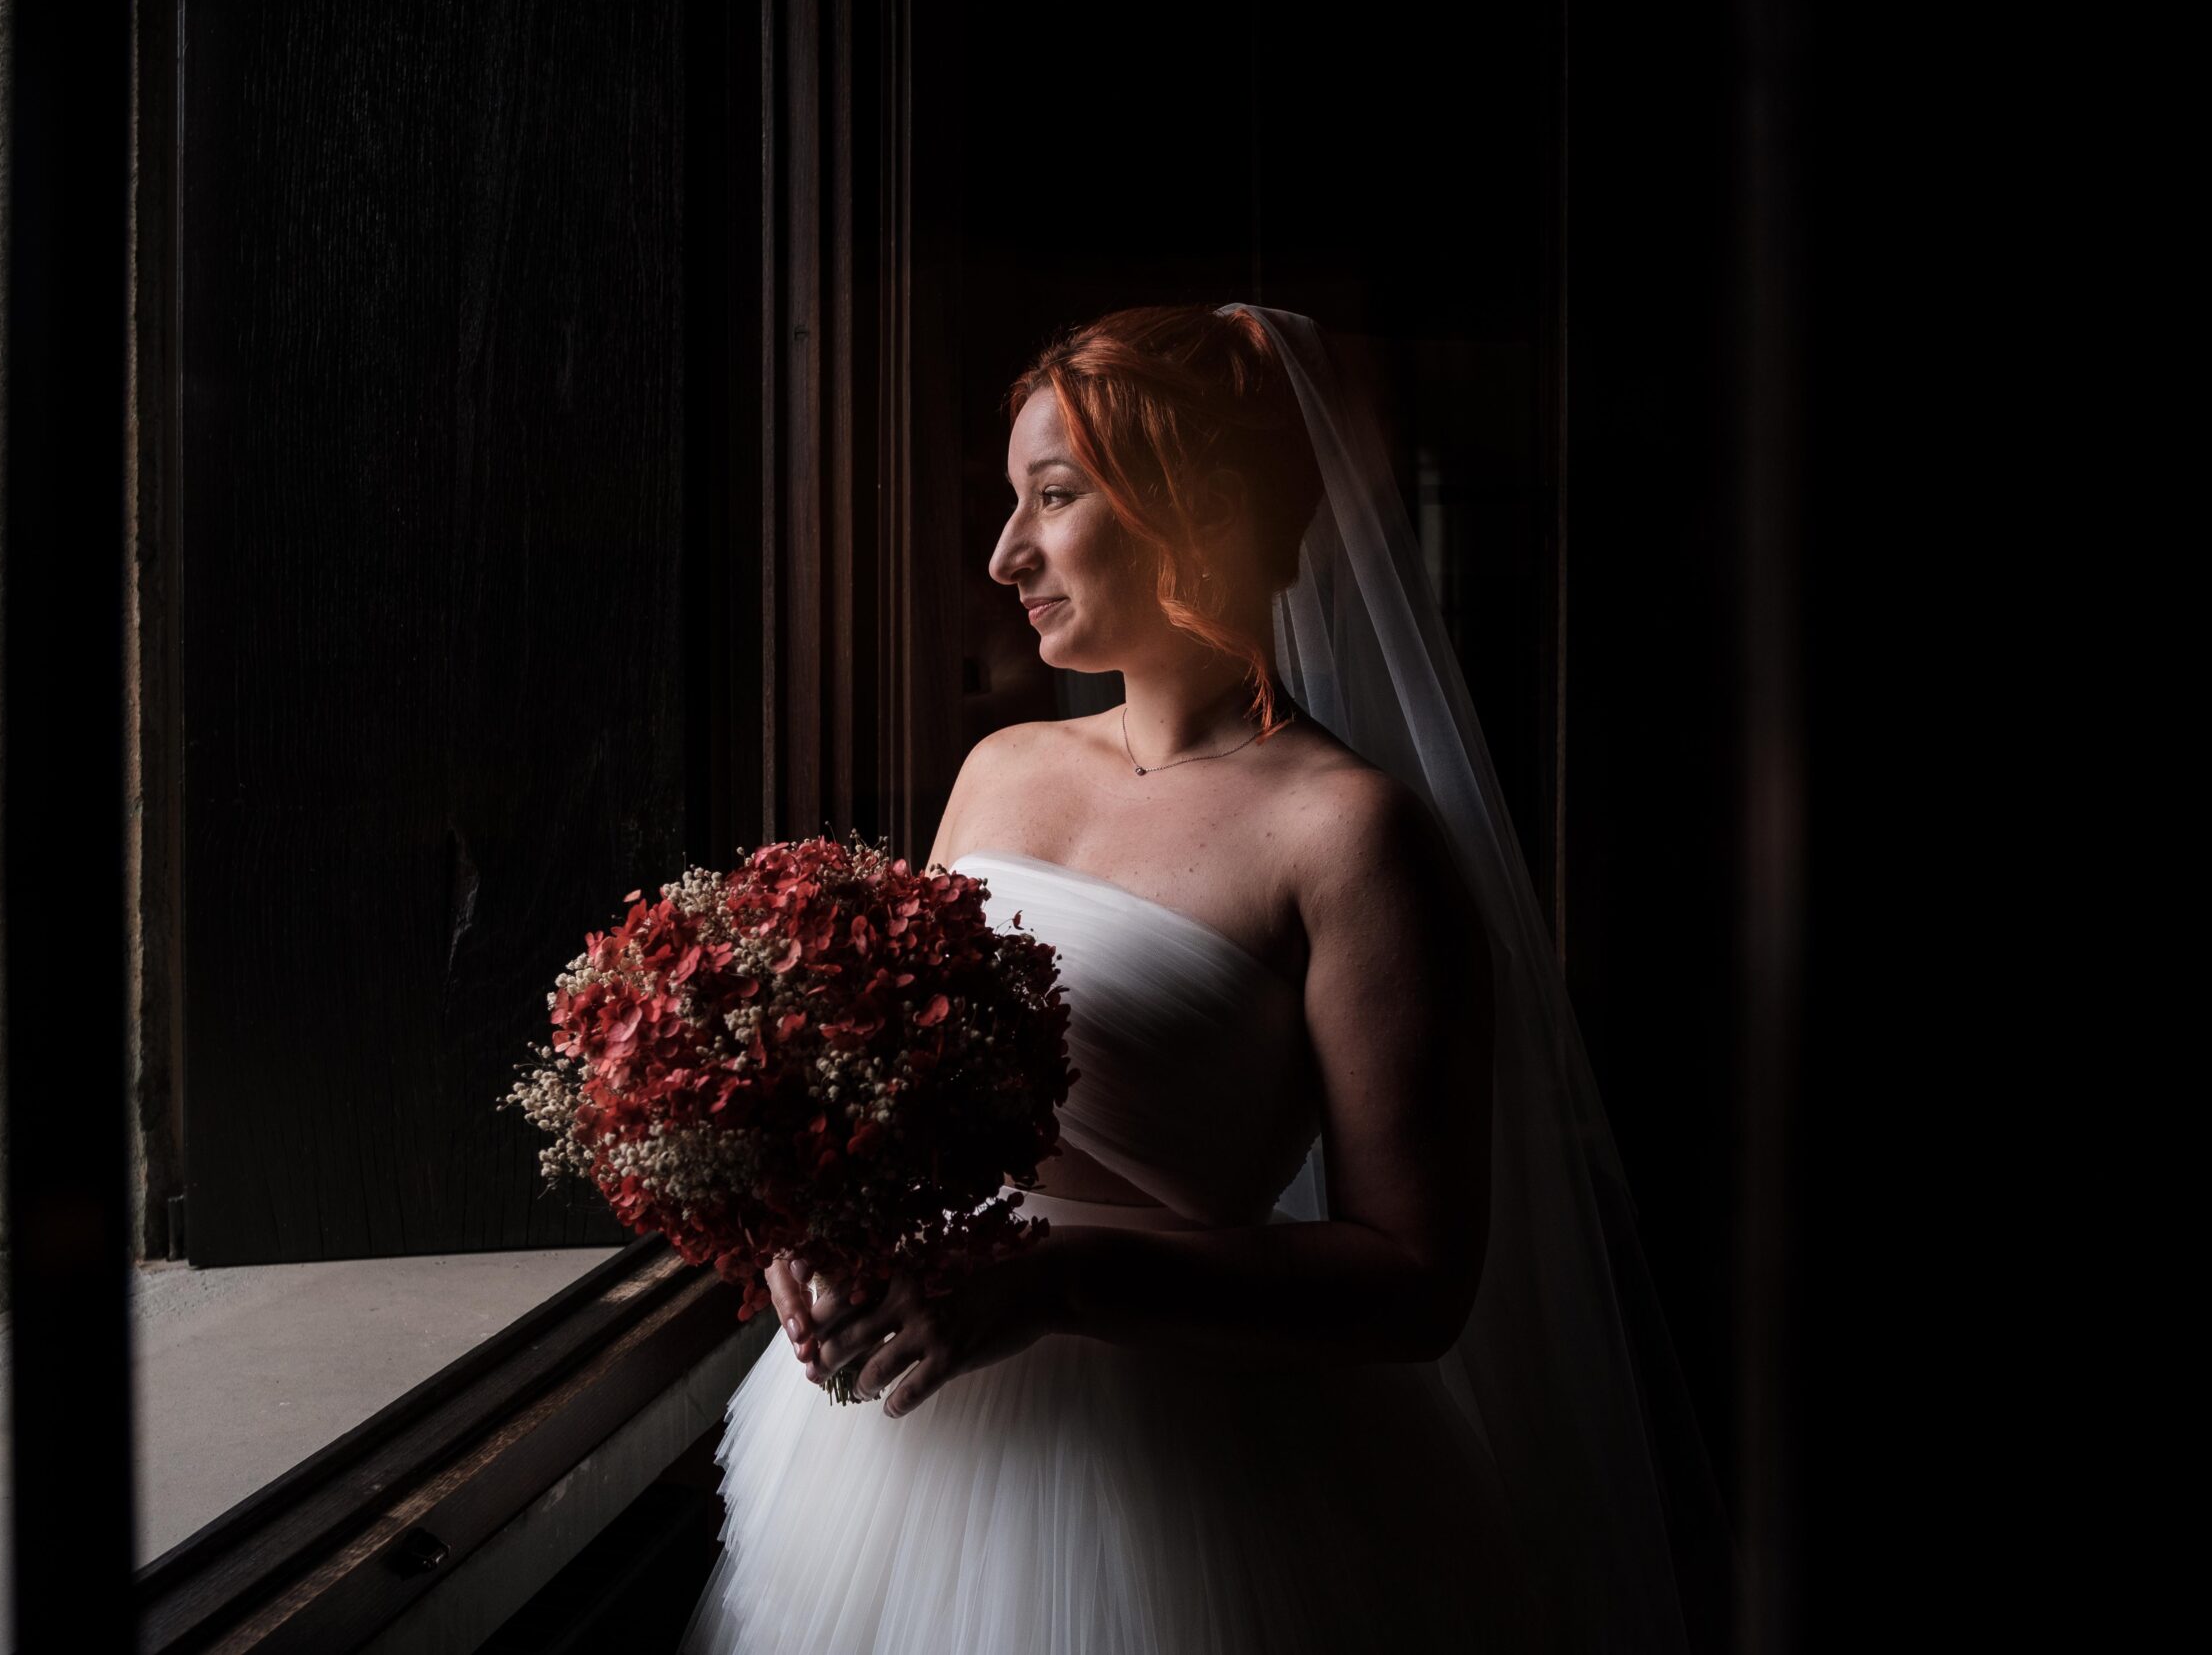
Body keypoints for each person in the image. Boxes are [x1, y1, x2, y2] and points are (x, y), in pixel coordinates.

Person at [675, 304, 1727, 1654]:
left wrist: (1051, 1282)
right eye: (1013, 499)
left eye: (1055, 497)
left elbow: (1416, 1280)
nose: (1004, 554)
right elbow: (890, 1097)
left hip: (1182, 1482)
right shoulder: (1001, 771)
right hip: (895, 1440)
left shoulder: (1350, 836)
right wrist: (809, 1223)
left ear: (1197, 507)